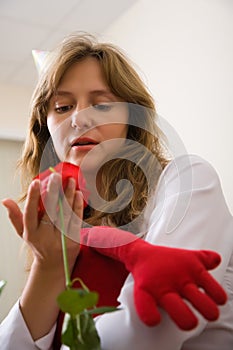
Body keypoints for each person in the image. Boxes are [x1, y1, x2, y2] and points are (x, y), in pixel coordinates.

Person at [0, 32, 232, 350]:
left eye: (104, 105)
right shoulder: (59, 226)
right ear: (46, 127)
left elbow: (148, 335)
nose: (79, 119)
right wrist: (48, 264)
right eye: (63, 106)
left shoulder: (186, 179)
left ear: (132, 118)